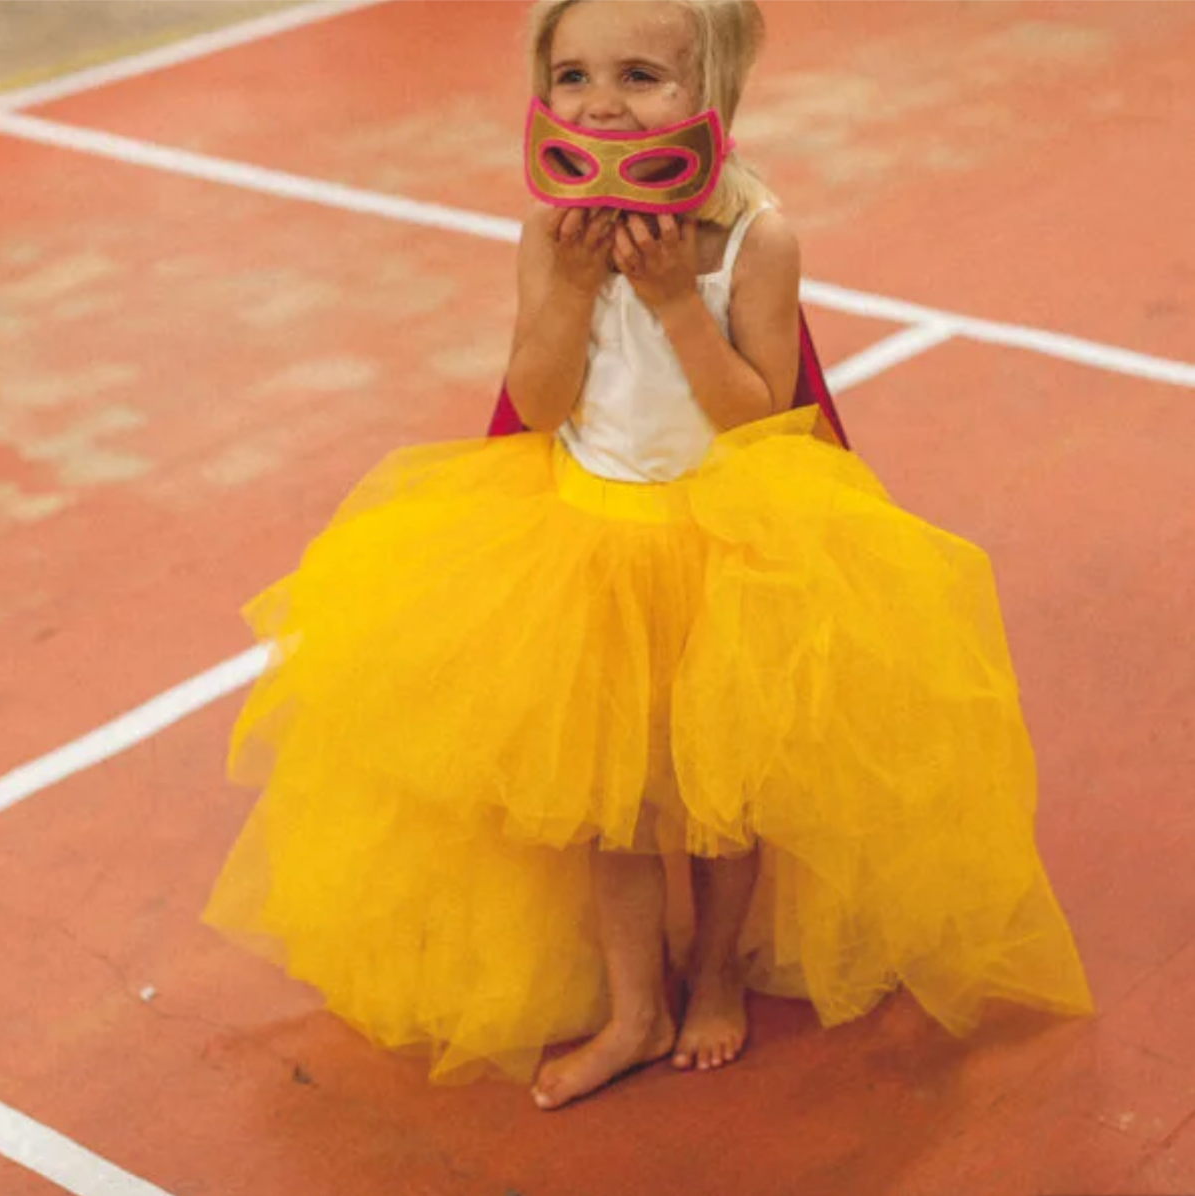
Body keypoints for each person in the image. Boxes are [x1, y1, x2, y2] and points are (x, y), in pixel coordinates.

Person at [204, 0, 1092, 1113]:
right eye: (571, 76)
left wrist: (675, 301)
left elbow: (758, 413)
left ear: (709, 92)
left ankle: (713, 968)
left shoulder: (755, 235)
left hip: (725, 546)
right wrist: (575, 290)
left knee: (725, 797)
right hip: (586, 547)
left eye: (639, 74)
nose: (602, 102)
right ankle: (635, 1006)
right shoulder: (547, 231)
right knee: (611, 807)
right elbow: (535, 404)